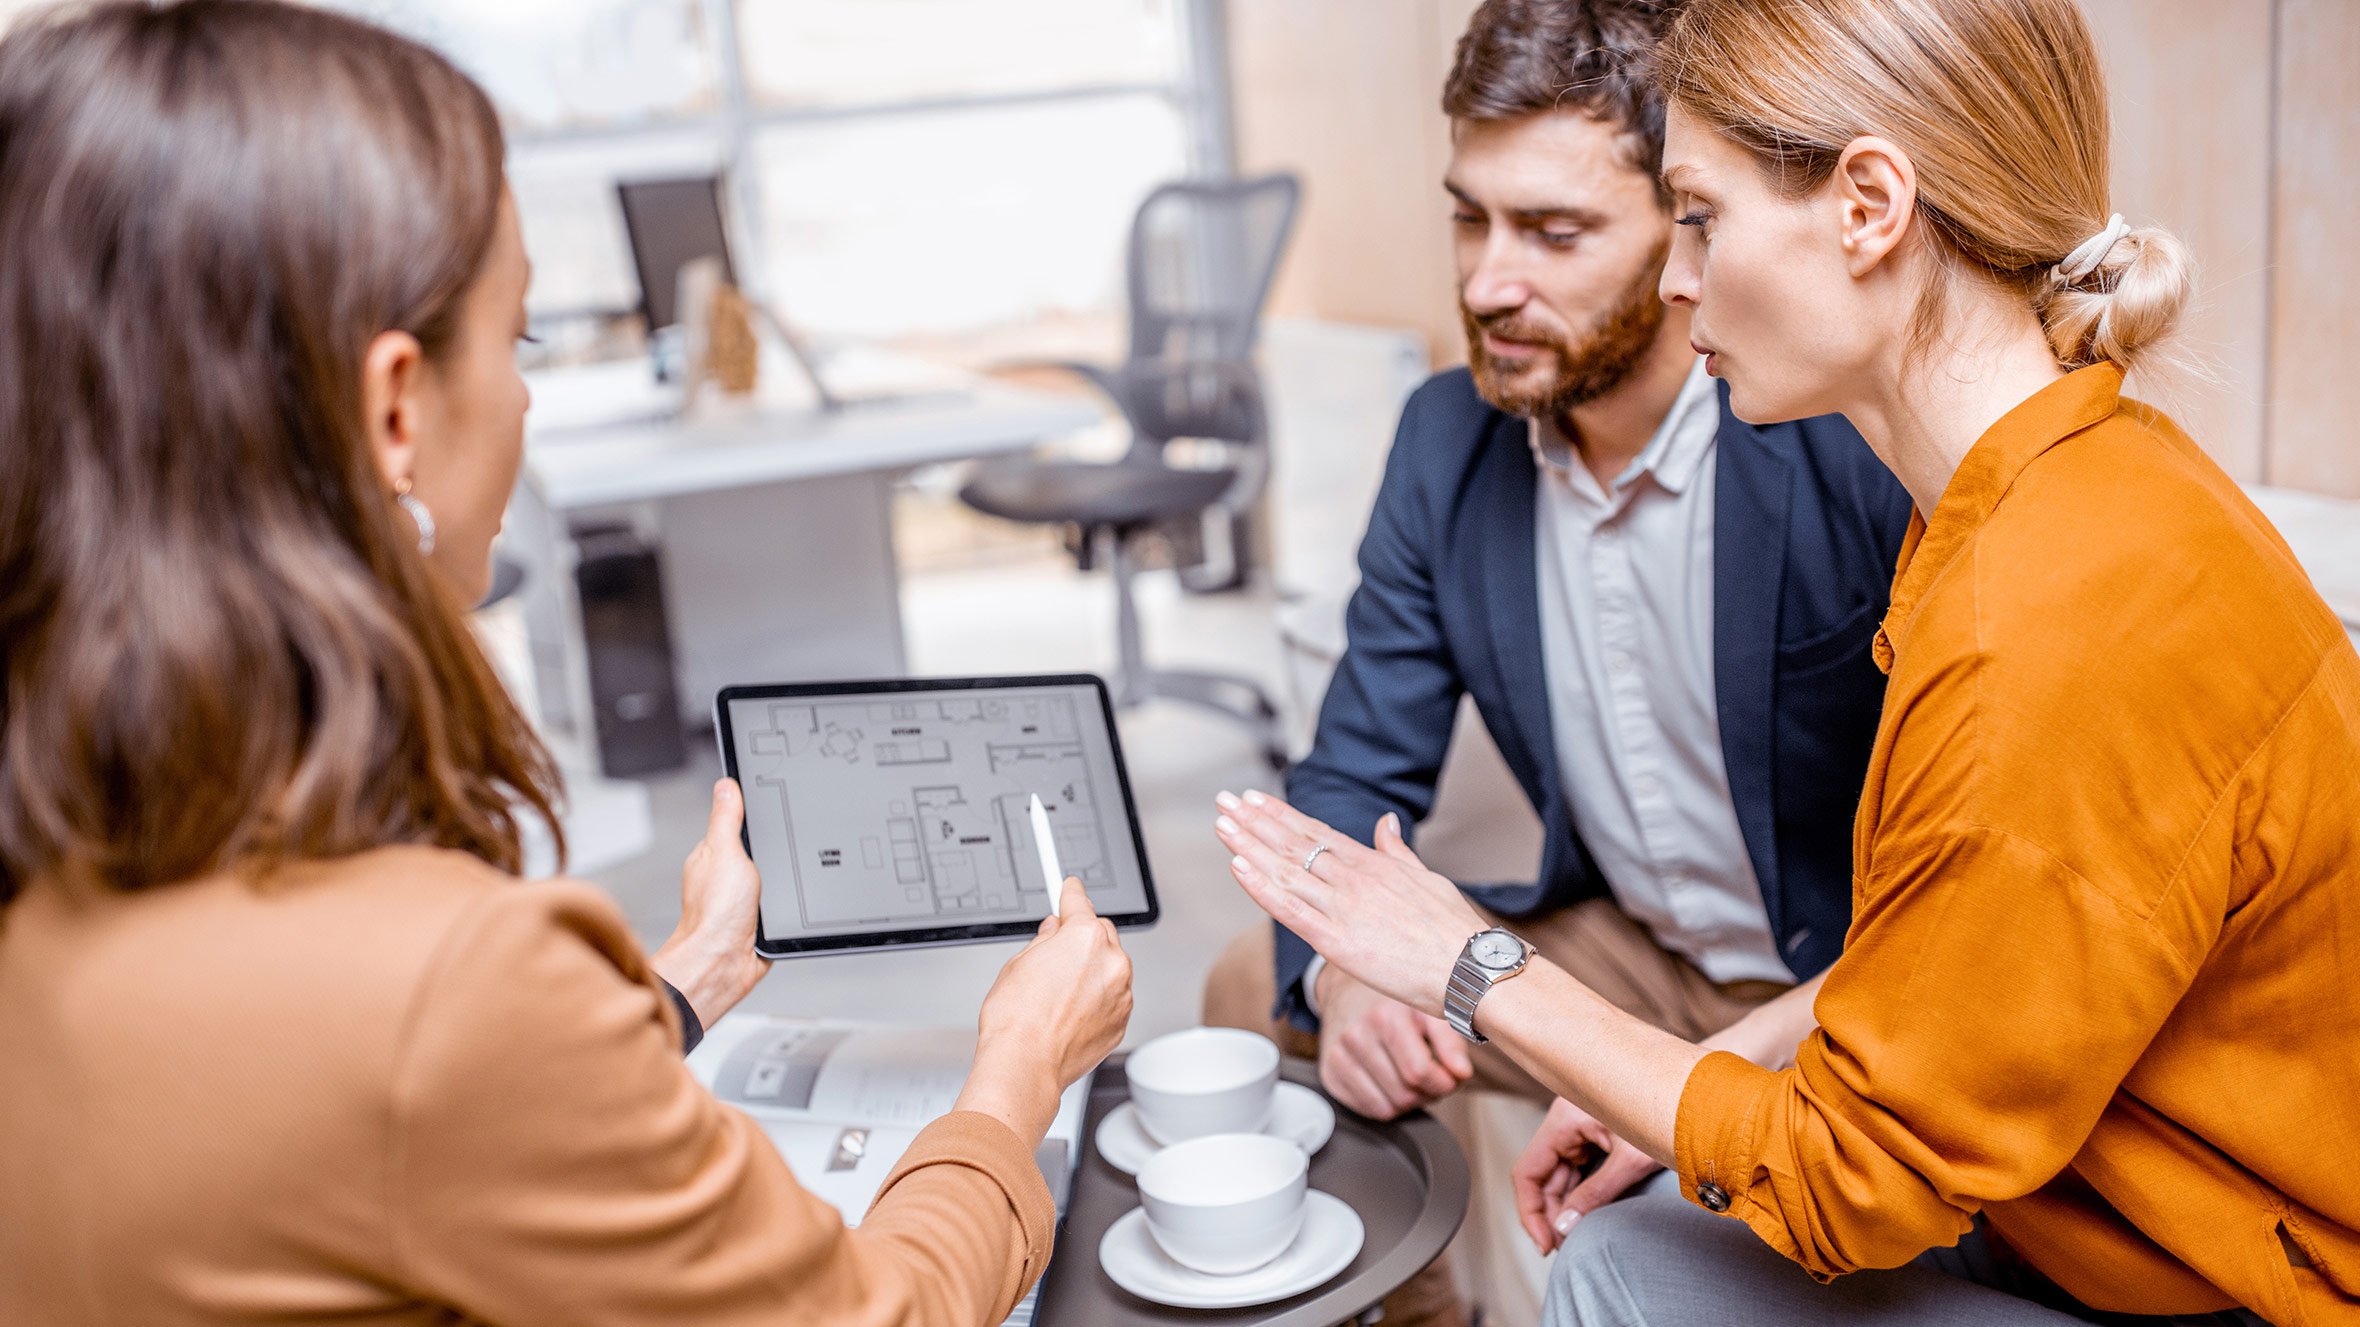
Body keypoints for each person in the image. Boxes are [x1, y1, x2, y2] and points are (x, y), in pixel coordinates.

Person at [1216, 0, 2360, 1321]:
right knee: (1337, 1027)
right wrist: (1405, 970)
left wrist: (1474, 965)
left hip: (2216, 1269)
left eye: (1696, 218)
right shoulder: (2061, 484)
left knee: (1618, 1266)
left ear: (1870, 206)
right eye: (1470, 219)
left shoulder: (2021, 605)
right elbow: (1957, 935)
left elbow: (1852, 1180)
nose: (1681, 278)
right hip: (2006, 1131)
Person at [0, 5, 1132, 1325]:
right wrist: (1016, 1072)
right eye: (517, 337)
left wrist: (677, 989)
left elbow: (375, 1140)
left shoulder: (70, 860)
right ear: (395, 410)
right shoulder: (452, 986)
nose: (525, 396)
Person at [1201, 2, 1908, 1318]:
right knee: (1261, 982)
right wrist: (1355, 977)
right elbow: (1352, 774)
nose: (1484, 281)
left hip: (1851, 984)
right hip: (1639, 952)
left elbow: (1974, 906)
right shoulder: (1445, 442)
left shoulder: (1834, 427)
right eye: (1472, 217)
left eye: (1555, 232)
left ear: (1684, 227)